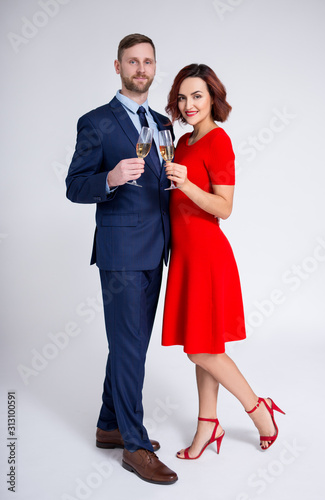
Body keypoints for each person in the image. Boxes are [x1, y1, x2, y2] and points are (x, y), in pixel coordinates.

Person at [66, 34, 178, 485]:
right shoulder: (95, 122)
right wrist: (109, 178)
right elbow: (75, 185)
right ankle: (133, 444)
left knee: (131, 346)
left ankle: (109, 424)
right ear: (118, 67)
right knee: (130, 347)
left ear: (154, 67)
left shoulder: (161, 121)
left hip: (157, 248)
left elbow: (161, 183)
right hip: (121, 254)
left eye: (147, 61)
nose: (140, 68)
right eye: (132, 61)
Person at [162, 64, 285, 460]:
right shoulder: (181, 143)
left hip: (207, 256)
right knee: (203, 342)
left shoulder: (219, 141)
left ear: (213, 97)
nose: (188, 104)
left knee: (201, 350)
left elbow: (224, 207)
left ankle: (257, 409)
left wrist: (186, 184)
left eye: (197, 95)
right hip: (184, 256)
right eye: (182, 97)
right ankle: (208, 424)